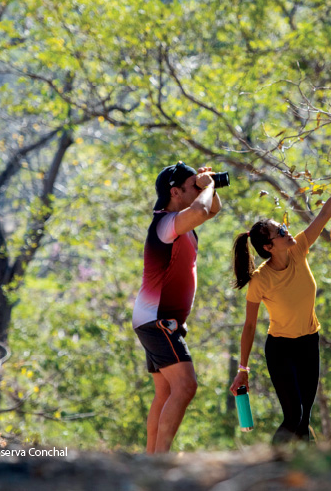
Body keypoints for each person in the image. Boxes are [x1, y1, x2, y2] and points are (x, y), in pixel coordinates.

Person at [228, 154, 331, 443]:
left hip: (309, 342)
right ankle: (270, 466)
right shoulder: (260, 280)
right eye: (281, 231)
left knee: (304, 420)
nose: (287, 230)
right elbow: (248, 328)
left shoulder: (299, 250)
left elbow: (324, 215)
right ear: (270, 246)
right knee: (293, 416)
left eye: (284, 228)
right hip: (281, 349)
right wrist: (242, 370)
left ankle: (301, 478)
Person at [132, 161, 222, 453]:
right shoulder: (165, 222)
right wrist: (206, 187)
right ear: (174, 191)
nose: (198, 192)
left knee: (166, 391)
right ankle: (160, 460)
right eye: (191, 187)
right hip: (156, 319)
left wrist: (210, 185)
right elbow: (200, 209)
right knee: (185, 386)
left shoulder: (182, 223)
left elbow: (211, 209)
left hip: (160, 320)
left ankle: (150, 459)